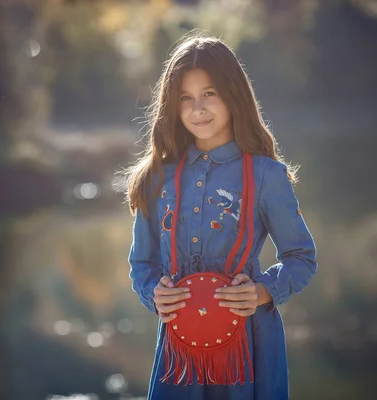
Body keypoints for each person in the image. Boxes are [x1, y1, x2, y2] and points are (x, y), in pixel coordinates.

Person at [124, 33, 318, 400]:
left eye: (209, 93)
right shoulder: (157, 178)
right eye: (185, 98)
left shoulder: (266, 176)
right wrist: (154, 293)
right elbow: (142, 262)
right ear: (172, 106)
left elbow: (301, 259)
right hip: (179, 351)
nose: (198, 108)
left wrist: (262, 292)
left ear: (234, 95)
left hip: (249, 345)